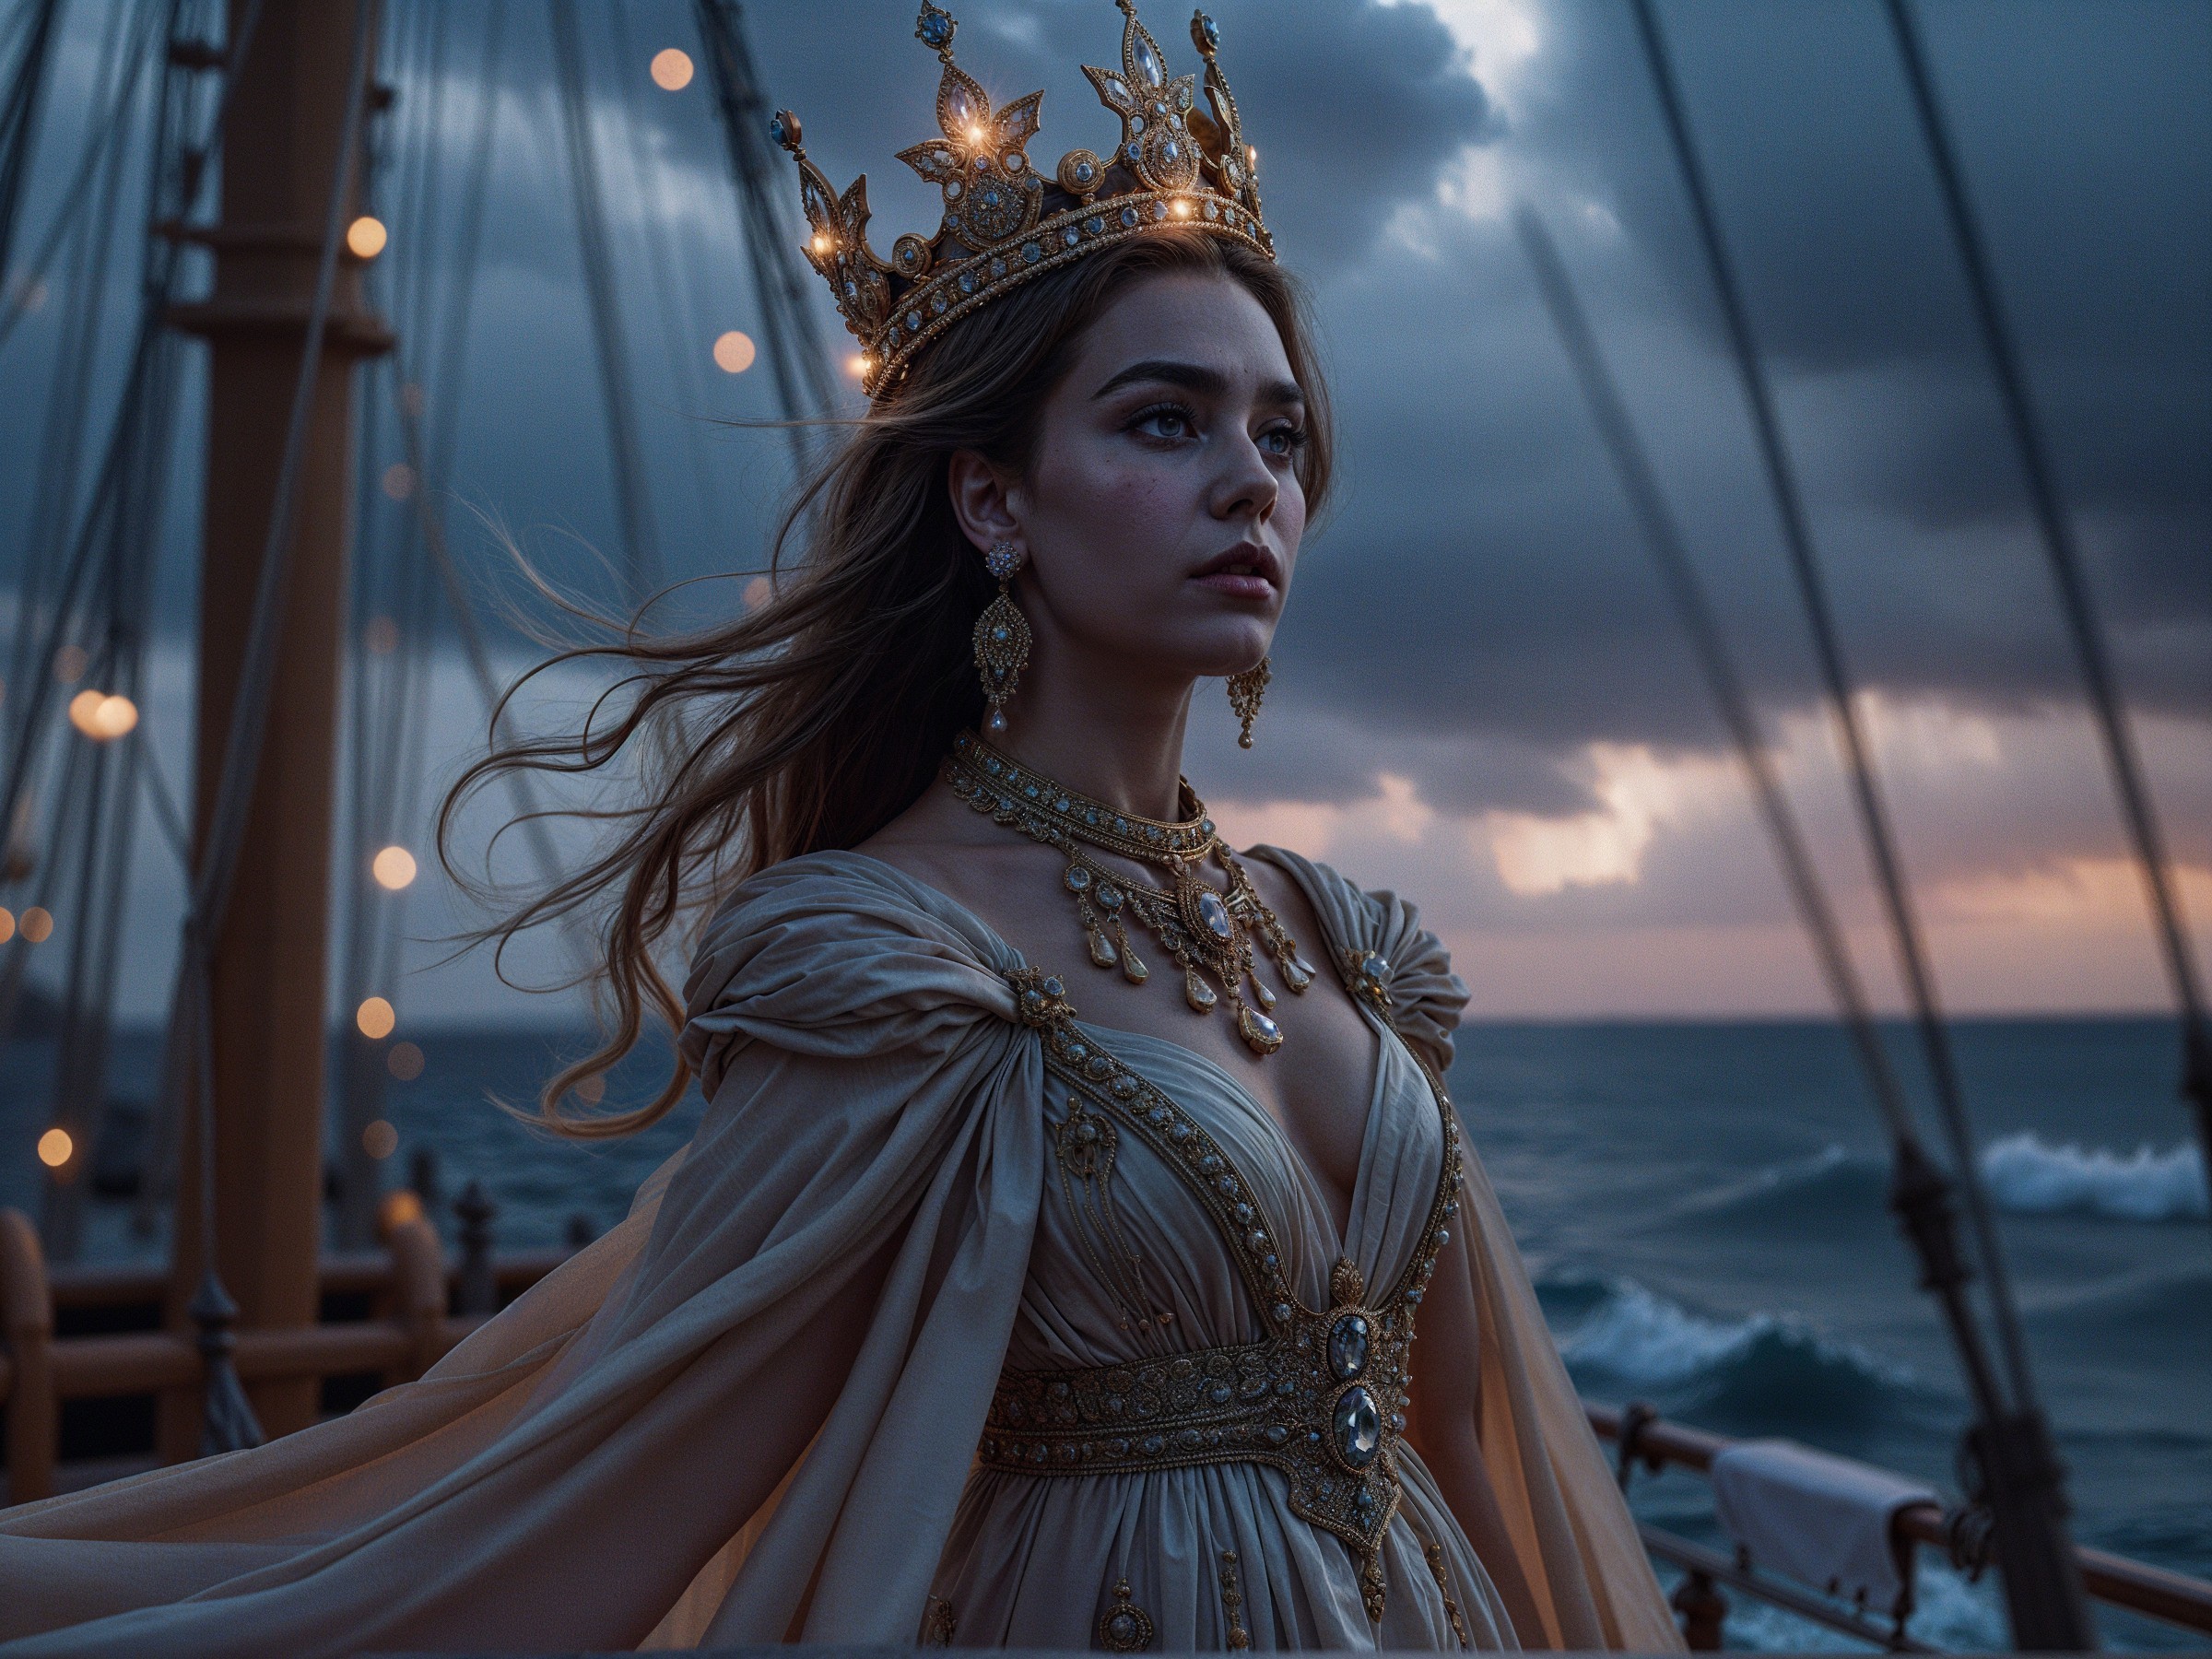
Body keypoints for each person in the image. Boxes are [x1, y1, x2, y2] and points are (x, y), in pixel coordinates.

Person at [0, 5, 1678, 1652]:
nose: (1254, 482)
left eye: (1283, 433)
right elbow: (623, 1501)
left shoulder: (1343, 948)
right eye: (1167, 420)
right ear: (992, 495)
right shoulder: (890, 966)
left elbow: (1460, 1445)